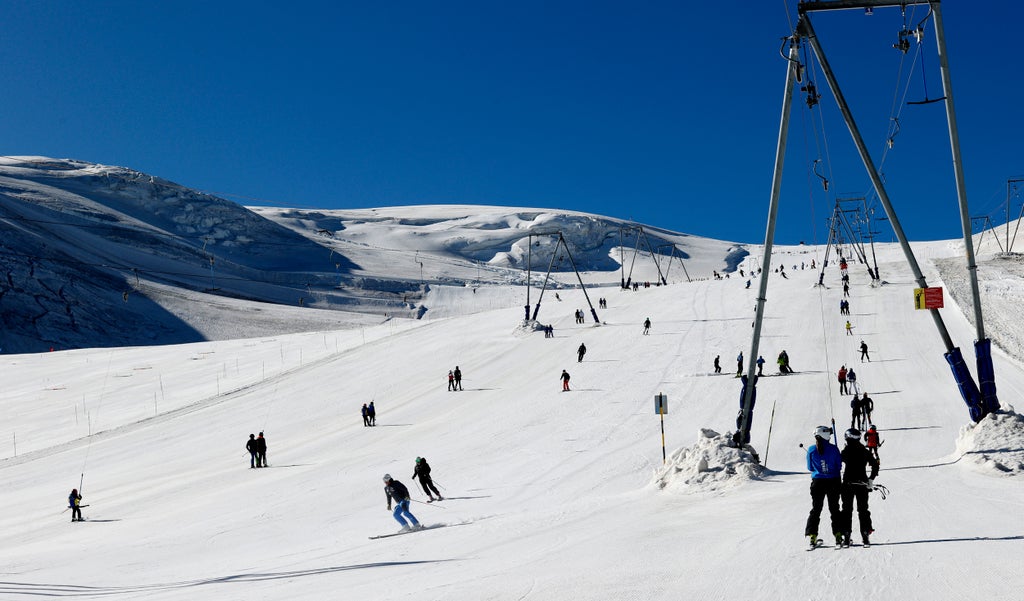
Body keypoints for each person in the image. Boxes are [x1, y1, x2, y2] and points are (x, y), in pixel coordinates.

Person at [839, 428, 880, 546]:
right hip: (862, 484)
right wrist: (871, 479)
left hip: (847, 484)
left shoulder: (845, 451)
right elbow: (875, 465)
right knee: (863, 510)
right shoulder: (864, 451)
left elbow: (837, 463)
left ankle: (846, 537)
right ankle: (865, 535)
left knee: (847, 510)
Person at [805, 425, 843, 548]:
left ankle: (812, 536)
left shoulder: (811, 449)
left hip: (817, 482)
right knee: (834, 509)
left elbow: (810, 468)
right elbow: (839, 466)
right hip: (833, 481)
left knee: (816, 509)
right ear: (826, 435)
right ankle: (838, 535)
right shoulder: (834, 449)